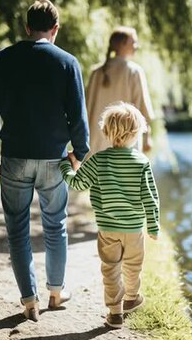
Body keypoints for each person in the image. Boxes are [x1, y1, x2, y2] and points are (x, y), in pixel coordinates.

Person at [0, 0, 90, 321]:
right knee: (55, 225)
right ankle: (56, 292)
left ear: (27, 28)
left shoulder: (3, 60)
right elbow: (78, 115)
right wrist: (79, 153)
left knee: (17, 230)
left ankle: (29, 300)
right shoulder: (68, 62)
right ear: (55, 29)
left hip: (14, 157)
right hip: (54, 160)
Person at [60, 102, 160, 328]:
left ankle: (115, 313)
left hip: (107, 229)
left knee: (111, 269)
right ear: (135, 134)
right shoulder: (142, 162)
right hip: (134, 229)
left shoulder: (98, 160)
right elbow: (150, 197)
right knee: (133, 266)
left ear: (106, 132)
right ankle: (132, 298)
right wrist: (153, 227)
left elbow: (78, 182)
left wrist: (66, 166)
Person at [85, 26, 155, 158]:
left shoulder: (96, 73)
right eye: (133, 42)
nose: (136, 46)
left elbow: (86, 110)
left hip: (96, 146)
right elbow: (143, 110)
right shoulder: (134, 72)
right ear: (122, 44)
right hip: (126, 145)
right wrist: (147, 137)